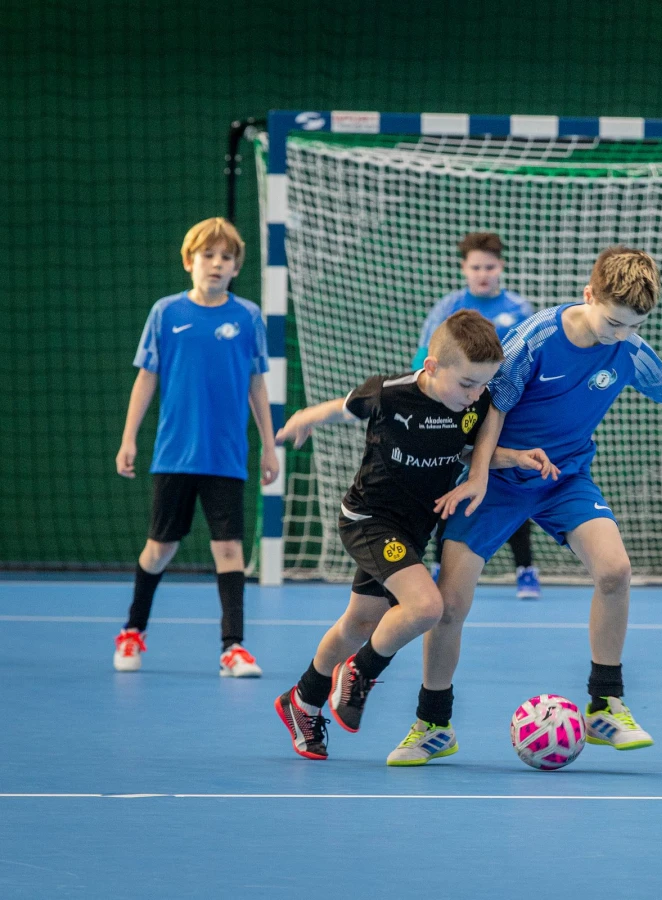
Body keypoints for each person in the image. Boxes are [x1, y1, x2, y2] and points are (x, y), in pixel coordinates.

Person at [384, 246, 662, 766]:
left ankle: (604, 705)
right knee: (451, 605)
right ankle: (433, 724)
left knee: (615, 570)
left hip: (564, 477)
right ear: (588, 295)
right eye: (614, 322)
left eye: (634, 326)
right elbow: (492, 410)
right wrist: (481, 475)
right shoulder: (536, 338)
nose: (621, 334)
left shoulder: (630, 350)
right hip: (500, 477)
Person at [272, 311, 553, 761]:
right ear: (432, 366)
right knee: (427, 607)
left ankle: (302, 700)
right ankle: (360, 672)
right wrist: (306, 417)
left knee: (359, 624)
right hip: (369, 519)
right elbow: (342, 409)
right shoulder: (390, 393)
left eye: (483, 385)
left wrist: (515, 457)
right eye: (467, 384)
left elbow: (466, 451)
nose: (476, 394)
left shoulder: (474, 404)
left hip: (413, 529)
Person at [113, 217, 278, 677]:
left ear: (236, 267)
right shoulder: (165, 313)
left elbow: (257, 385)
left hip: (226, 457)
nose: (217, 264)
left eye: (226, 257)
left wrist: (269, 446)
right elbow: (146, 379)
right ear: (189, 261)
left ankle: (233, 648)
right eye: (208, 255)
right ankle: (132, 631)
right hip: (174, 455)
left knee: (229, 550)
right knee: (159, 548)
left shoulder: (247, 317)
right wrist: (128, 438)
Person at [413, 232, 541, 599]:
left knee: (509, 481)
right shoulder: (448, 308)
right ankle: (440, 564)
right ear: (463, 269)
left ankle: (525, 569)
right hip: (456, 409)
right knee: (447, 482)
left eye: (489, 267)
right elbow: (424, 356)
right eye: (476, 267)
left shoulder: (520, 309)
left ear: (501, 267)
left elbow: (531, 362)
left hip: (502, 411)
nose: (482, 274)